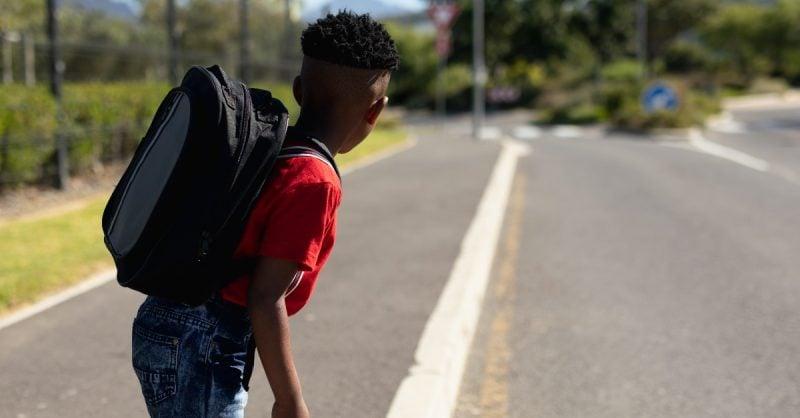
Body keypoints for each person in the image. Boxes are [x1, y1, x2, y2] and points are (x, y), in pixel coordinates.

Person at [131, 11, 399, 418]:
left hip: (174, 323)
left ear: (297, 90)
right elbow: (265, 296)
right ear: (374, 112)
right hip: (202, 337)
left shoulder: (269, 148)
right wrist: (289, 400)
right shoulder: (315, 180)